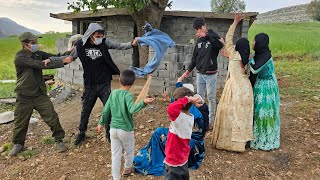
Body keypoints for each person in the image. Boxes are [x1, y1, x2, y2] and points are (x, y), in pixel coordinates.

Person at [69, 23, 139, 145]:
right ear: (91, 34)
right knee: (86, 109)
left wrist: (132, 44)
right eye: (97, 35)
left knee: (110, 109)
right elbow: (70, 57)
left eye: (101, 35)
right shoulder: (81, 45)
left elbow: (120, 46)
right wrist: (56, 60)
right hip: (90, 84)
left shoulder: (104, 43)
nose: (99, 37)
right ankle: (81, 133)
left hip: (104, 83)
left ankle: (108, 133)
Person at [8, 32, 73, 156]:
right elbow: (39, 65)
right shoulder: (20, 57)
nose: (35, 44)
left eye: (36, 42)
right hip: (24, 95)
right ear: (24, 44)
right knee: (20, 122)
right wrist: (63, 62)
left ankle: (59, 140)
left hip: (39, 94)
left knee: (52, 117)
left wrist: (68, 53)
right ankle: (18, 144)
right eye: (33, 43)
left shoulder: (38, 54)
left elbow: (55, 56)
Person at [97, 70, 155, 180]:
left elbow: (106, 110)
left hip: (113, 129)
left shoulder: (113, 93)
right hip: (126, 130)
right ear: (133, 83)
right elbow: (132, 110)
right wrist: (144, 102)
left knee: (115, 155)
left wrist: (101, 123)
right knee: (129, 151)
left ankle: (116, 177)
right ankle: (127, 169)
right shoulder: (128, 95)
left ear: (120, 80)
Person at [211, 14, 254, 152]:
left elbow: (229, 38)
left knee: (229, 112)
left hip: (233, 88)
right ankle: (243, 142)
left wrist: (235, 22)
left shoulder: (234, 55)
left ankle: (228, 143)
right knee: (242, 115)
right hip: (246, 89)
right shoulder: (248, 57)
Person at [183, 17, 224, 129]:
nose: (199, 31)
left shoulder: (212, 35)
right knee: (199, 97)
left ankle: (211, 122)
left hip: (211, 74)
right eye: (197, 29)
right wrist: (189, 70)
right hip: (200, 73)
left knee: (211, 97)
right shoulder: (199, 40)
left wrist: (207, 36)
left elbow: (220, 45)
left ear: (204, 26)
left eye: (200, 28)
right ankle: (201, 119)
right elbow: (195, 57)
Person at [249, 33, 281, 151]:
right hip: (260, 84)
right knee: (258, 111)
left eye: (254, 41)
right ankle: (257, 136)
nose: (252, 43)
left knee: (265, 112)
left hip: (267, 87)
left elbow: (255, 69)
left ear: (259, 43)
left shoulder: (266, 56)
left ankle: (266, 138)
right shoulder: (260, 53)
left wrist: (250, 58)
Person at [164, 87, 202, 180]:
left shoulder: (178, 119)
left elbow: (171, 108)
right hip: (183, 159)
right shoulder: (190, 117)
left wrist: (188, 99)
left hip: (173, 163)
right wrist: (189, 99)